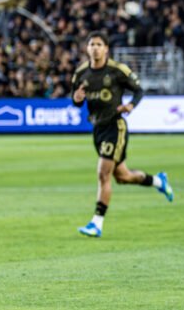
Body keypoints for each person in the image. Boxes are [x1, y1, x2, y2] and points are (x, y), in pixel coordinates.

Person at [71, 31, 173, 238]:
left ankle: (96, 223)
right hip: (97, 128)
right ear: (87, 48)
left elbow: (139, 90)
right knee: (123, 177)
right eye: (92, 44)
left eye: (99, 44)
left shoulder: (117, 71)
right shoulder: (81, 74)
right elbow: (77, 100)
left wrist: (130, 105)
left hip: (115, 127)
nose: (95, 48)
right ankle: (158, 181)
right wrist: (77, 99)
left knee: (103, 173)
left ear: (106, 49)